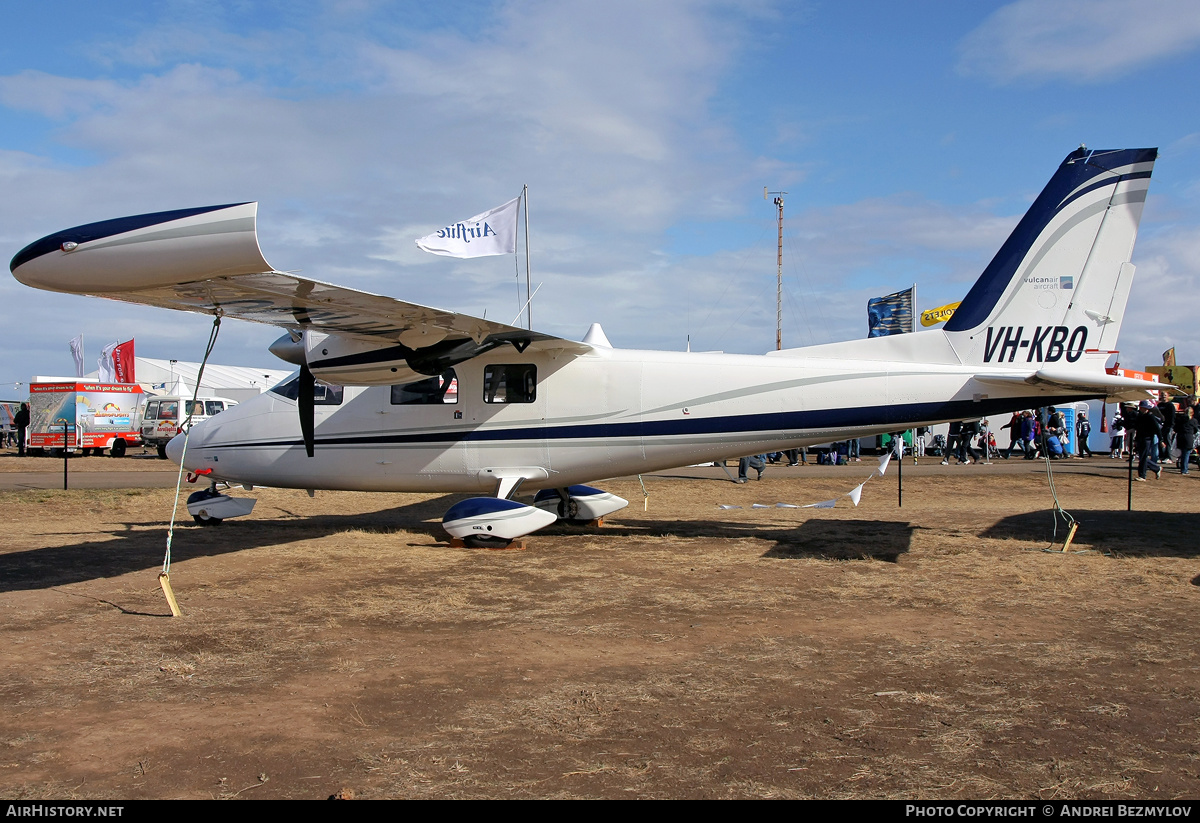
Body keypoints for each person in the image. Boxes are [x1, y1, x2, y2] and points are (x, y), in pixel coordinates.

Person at [1134, 400, 1162, 481]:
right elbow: (1138, 429)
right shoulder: (1140, 416)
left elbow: (1157, 429)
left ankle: (1142, 475)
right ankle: (1156, 468)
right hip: (1141, 438)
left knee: (1143, 457)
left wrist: (1161, 439)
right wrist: (1136, 439)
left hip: (1147, 439)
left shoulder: (1150, 417)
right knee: (1142, 457)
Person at [1175, 406, 1198, 475]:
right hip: (1188, 437)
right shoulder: (1194, 421)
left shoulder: (1180, 419)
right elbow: (1196, 430)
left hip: (1180, 437)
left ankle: (1183, 468)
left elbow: (1176, 428)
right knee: (1186, 454)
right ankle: (1184, 470)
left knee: (1183, 453)